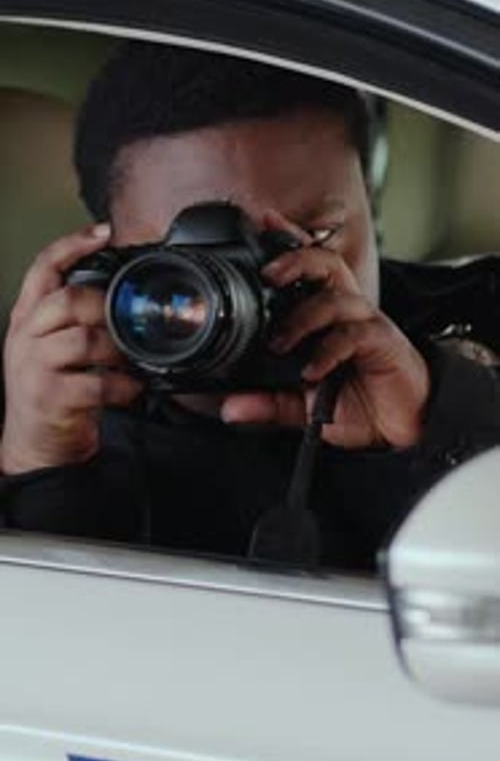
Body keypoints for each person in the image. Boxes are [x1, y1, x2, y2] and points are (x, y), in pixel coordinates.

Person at [0, 42, 499, 571]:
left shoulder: (480, 317)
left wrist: (443, 421)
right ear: (108, 254)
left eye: (311, 236)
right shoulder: (46, 394)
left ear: (372, 219)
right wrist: (37, 472)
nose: (250, 292)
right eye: (186, 258)